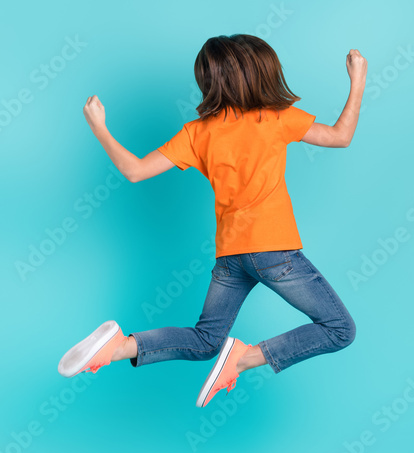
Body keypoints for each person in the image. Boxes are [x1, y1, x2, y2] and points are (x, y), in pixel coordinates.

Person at [57, 34, 366, 407]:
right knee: (339, 329)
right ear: (258, 73)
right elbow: (341, 136)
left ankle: (122, 346)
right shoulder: (276, 118)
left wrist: (100, 128)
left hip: (231, 257)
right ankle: (245, 357)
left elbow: (135, 171)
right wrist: (358, 79)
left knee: (206, 341)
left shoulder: (198, 132)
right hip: (274, 252)